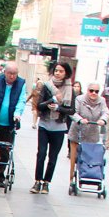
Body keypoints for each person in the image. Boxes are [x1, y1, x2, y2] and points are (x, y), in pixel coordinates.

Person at [31, 61, 74, 194]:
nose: (58, 73)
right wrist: (52, 100)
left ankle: (46, 183)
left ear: (66, 73)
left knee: (53, 156)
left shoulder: (69, 88)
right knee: (41, 153)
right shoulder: (47, 85)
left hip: (59, 127)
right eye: (56, 70)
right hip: (44, 124)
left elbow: (71, 110)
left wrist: (58, 108)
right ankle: (37, 181)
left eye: (61, 71)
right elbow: (39, 105)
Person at [67, 82, 109, 181]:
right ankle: (71, 178)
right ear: (87, 90)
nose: (94, 93)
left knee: (88, 158)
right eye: (91, 91)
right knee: (74, 158)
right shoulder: (79, 99)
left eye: (96, 91)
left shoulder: (102, 100)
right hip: (77, 132)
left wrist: (103, 120)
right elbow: (73, 112)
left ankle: (85, 176)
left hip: (92, 134)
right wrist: (80, 119)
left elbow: (106, 112)